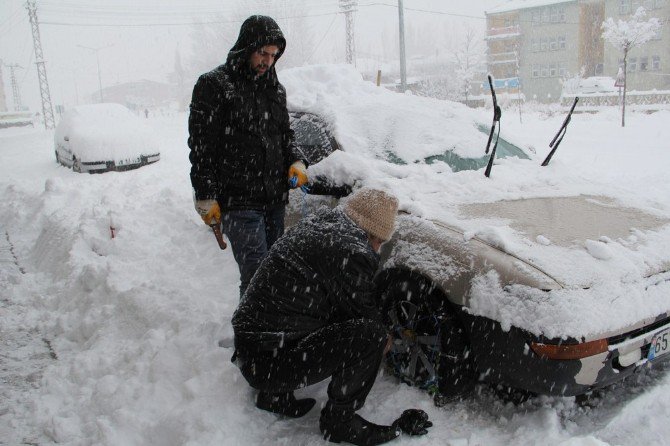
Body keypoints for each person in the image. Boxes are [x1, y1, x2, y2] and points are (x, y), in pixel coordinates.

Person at [232, 188, 433, 446]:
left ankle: (274, 396)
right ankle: (339, 422)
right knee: (373, 336)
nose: (378, 248)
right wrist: (386, 338)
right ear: (371, 231)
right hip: (267, 363)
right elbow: (362, 315)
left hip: (253, 351)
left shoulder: (323, 225)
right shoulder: (351, 251)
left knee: (321, 310)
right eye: (380, 241)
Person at [188, 15, 308, 297]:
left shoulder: (275, 90)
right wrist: (205, 194)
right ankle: (253, 339)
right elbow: (201, 146)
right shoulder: (214, 86)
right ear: (246, 48)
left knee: (273, 272)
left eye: (273, 55)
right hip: (239, 200)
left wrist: (296, 160)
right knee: (257, 277)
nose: (267, 61)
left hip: (274, 199)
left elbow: (285, 135)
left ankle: (268, 334)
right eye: (262, 53)